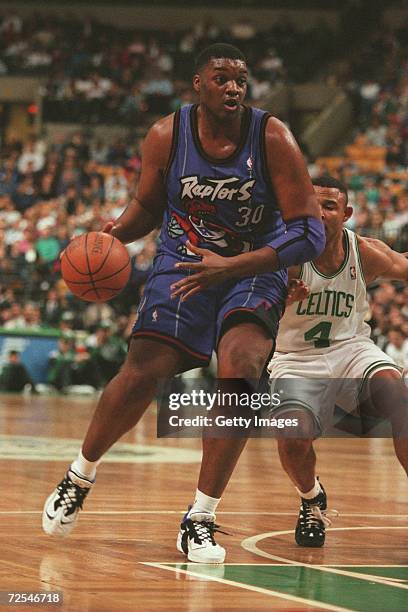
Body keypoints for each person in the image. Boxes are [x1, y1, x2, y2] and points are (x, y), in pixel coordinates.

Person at [42, 44, 325, 563]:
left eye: (241, 79)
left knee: (240, 368)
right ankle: (79, 476)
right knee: (144, 367)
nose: (234, 87)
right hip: (182, 259)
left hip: (254, 265)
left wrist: (236, 266)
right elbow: (149, 204)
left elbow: (308, 233)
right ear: (198, 84)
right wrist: (115, 234)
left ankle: (200, 516)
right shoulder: (166, 135)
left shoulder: (272, 137)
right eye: (221, 78)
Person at [172, 175, 408, 551]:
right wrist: (282, 302)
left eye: (329, 206)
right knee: (293, 438)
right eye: (313, 205)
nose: (320, 212)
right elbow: (247, 312)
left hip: (352, 350)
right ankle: (311, 498)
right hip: (294, 359)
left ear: (345, 214)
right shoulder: (284, 258)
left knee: (399, 398)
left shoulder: (364, 252)